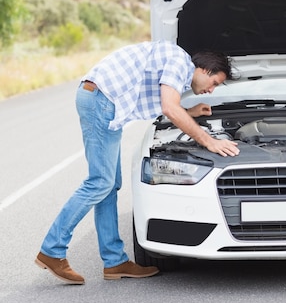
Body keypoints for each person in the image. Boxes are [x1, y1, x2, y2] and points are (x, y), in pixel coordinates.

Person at [35, 40, 240, 285]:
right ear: (204, 70)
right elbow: (170, 107)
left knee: (109, 186)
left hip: (103, 101)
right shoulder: (179, 61)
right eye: (214, 83)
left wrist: (190, 113)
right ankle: (52, 250)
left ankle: (114, 262)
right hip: (101, 100)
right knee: (100, 182)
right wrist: (209, 141)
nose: (211, 90)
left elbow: (166, 104)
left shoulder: (177, 66)